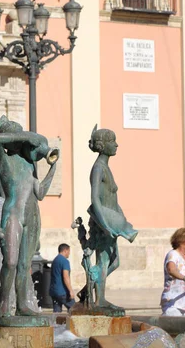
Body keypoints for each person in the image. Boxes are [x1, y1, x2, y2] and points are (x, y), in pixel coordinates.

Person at [0, 115, 58, 317]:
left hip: (32, 217)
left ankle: (21, 305)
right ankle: (2, 303)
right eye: (15, 138)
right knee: (10, 263)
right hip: (13, 214)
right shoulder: (4, 159)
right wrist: (22, 136)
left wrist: (52, 167)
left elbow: (40, 193)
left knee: (23, 265)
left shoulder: (29, 164)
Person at [86, 126, 137, 310]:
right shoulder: (98, 168)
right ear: (102, 145)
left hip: (111, 221)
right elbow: (95, 199)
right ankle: (99, 300)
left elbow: (112, 199)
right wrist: (104, 224)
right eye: (112, 141)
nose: (116, 145)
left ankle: (88, 289)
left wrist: (121, 219)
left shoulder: (106, 167)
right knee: (104, 261)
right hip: (103, 221)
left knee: (115, 261)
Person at [160, 228, 185, 316]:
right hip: (173, 302)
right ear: (181, 242)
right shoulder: (173, 254)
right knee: (175, 328)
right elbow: (171, 269)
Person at [49, 243, 75, 313]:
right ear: (65, 250)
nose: (69, 254)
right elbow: (65, 277)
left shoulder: (55, 260)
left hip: (54, 292)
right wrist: (70, 290)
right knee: (74, 310)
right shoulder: (65, 261)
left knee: (57, 314)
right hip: (62, 292)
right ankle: (71, 324)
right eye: (69, 251)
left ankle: (57, 324)